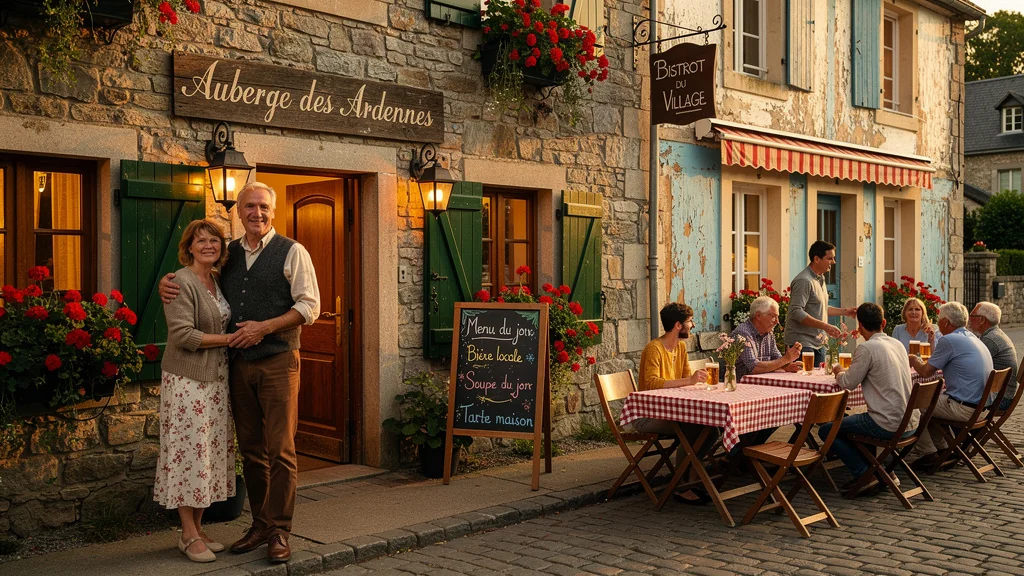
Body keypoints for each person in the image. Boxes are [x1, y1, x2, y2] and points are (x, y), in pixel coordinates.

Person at [160, 182, 320, 563]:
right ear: (239, 211)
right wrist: (165, 282)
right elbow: (195, 275)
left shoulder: (292, 251)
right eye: (249, 206)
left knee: (280, 449)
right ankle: (260, 524)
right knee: (250, 450)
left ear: (273, 211)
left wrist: (264, 327)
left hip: (279, 360)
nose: (256, 213)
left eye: (263, 207)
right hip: (237, 367)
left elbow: (310, 306)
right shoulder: (228, 253)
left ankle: (280, 531)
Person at [154, 219, 235, 563]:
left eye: (213, 240)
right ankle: (187, 534)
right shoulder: (179, 282)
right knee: (189, 456)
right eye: (200, 241)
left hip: (215, 383)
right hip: (188, 384)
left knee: (208, 457)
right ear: (188, 247)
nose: (208, 246)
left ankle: (199, 528)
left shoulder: (216, 279)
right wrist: (231, 339)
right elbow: (184, 336)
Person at [822, 302, 917, 494]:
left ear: (860, 327)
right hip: (911, 421)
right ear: (883, 322)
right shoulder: (897, 344)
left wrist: (839, 371)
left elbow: (848, 383)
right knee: (850, 425)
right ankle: (882, 471)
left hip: (887, 423)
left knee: (827, 430)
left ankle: (865, 473)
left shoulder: (867, 348)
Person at [634, 302, 718, 504]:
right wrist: (689, 380)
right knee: (691, 427)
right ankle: (681, 486)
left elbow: (684, 380)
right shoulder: (654, 349)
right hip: (649, 414)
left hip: (672, 411)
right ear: (678, 325)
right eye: (690, 321)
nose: (693, 325)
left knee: (712, 428)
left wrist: (693, 382)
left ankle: (691, 480)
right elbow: (653, 383)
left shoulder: (680, 347)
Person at [908, 302, 993, 470]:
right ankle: (944, 450)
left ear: (946, 322)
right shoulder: (971, 337)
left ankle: (928, 453)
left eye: (939, 320)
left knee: (912, 403)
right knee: (930, 402)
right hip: (983, 407)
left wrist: (913, 359)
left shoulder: (950, 339)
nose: (937, 324)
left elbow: (926, 372)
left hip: (965, 408)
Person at [784, 241, 856, 365]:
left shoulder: (820, 278)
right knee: (805, 382)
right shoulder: (804, 280)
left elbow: (820, 307)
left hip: (818, 343)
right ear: (816, 259)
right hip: (801, 344)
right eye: (830, 258)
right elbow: (796, 311)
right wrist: (825, 326)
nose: (833, 262)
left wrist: (845, 311)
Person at [731, 296, 803, 381]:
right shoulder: (742, 334)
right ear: (758, 315)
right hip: (741, 387)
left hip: (762, 385)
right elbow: (754, 368)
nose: (777, 321)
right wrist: (785, 359)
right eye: (773, 316)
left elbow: (777, 359)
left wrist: (789, 365)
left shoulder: (768, 333)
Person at [969, 302, 1019, 410]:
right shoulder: (994, 334)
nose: (969, 319)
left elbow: (970, 367)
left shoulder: (990, 339)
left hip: (999, 398)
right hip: (1002, 394)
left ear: (982, 320)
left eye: (972, 316)